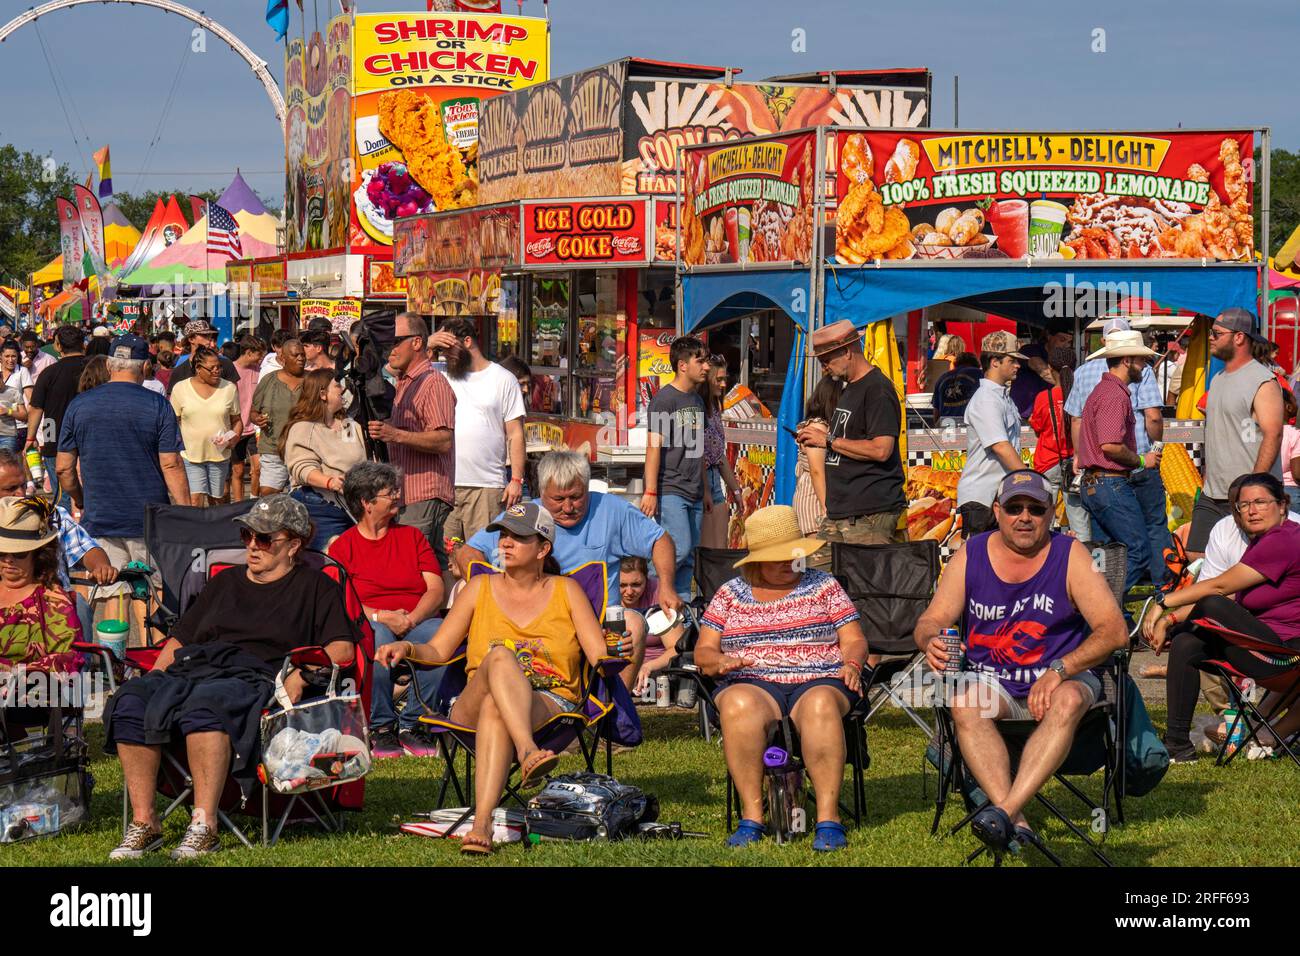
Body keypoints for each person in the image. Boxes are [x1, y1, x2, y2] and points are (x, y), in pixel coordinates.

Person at [104, 495, 359, 860]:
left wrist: (302, 674)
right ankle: (146, 824)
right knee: (130, 701)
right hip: (196, 668)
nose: (253, 546)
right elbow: (180, 638)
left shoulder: (316, 587)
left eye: (265, 539)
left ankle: (204, 826)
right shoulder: (224, 584)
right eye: (247, 535)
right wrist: (153, 679)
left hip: (255, 677)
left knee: (207, 704)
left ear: (295, 545)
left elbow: (343, 649)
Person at [913, 469, 1128, 855]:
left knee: (1068, 700)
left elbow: (1113, 631)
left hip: (1061, 678)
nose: (1024, 516)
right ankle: (1018, 820)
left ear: (1050, 513)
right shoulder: (972, 552)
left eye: (1035, 507)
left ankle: (1005, 813)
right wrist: (929, 639)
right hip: (993, 681)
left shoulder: (1069, 554)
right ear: (997, 511)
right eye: (1014, 507)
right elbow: (932, 619)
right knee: (964, 701)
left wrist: (1060, 669)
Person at [377, 501, 608, 857]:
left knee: (496, 709)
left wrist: (622, 644)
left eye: (518, 537)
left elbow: (599, 655)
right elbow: (438, 651)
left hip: (547, 702)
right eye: (503, 536)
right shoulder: (478, 588)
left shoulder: (567, 591)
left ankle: (481, 823)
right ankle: (527, 750)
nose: (505, 543)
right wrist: (408, 647)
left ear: (543, 548)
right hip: (472, 702)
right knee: (500, 656)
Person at [695, 505, 868, 851]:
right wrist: (720, 661)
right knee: (739, 703)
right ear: (757, 560)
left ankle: (828, 819)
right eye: (778, 558)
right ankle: (753, 817)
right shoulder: (730, 594)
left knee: (819, 704)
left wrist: (851, 663)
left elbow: (854, 638)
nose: (789, 563)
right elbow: (703, 652)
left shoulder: (824, 586)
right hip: (753, 680)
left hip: (820, 678)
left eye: (793, 555)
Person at [1143, 473, 1300, 762]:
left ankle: (1257, 730)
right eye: (1243, 505)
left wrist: (1163, 603)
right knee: (1187, 643)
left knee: (1210, 606)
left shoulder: (1285, 539)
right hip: (1264, 649)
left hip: (1285, 658)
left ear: (1282, 505)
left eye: (1261, 502)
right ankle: (1177, 744)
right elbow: (1229, 598)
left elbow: (1218, 589)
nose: (1251, 510)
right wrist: (1174, 620)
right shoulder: (1261, 542)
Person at [56, 335, 190, 616]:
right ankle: (151, 657)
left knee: (110, 593)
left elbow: (64, 469)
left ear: (108, 366)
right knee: (154, 593)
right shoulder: (157, 405)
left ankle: (114, 658)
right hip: (149, 519)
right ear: (144, 368)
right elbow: (171, 465)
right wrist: (185, 513)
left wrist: (79, 499)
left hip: (102, 517)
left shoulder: (79, 405)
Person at [461, 450, 684, 618]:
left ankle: (618, 683)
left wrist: (666, 585)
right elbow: (469, 553)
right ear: (541, 492)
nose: (568, 508)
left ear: (587, 488)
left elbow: (659, 540)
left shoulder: (610, 509)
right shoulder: (526, 516)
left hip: (600, 620)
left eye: (576, 497)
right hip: (536, 617)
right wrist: (494, 591)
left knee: (634, 624)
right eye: (558, 499)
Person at [330, 462, 445, 758]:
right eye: (389, 492)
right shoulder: (343, 547)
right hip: (373, 620)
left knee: (441, 635)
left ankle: (414, 724)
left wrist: (412, 619)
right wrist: (383, 617)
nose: (397, 496)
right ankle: (381, 728)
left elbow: (435, 589)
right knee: (376, 635)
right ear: (367, 503)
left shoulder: (412, 537)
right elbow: (344, 600)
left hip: (416, 618)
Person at [1066, 318, 1170, 582]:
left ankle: (1100, 613)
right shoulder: (1115, 394)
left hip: (1095, 483)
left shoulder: (1101, 387)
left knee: (1105, 554)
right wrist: (1141, 460)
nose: (1144, 365)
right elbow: (1111, 445)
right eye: (1140, 359)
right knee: (1138, 550)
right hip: (1110, 483)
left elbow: (1075, 420)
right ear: (1126, 360)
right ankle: (1105, 604)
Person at [797, 319, 907, 547]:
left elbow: (881, 449)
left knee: (862, 581)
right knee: (819, 579)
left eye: (826, 360)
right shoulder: (850, 388)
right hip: (840, 512)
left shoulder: (877, 389)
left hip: (868, 512)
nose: (823, 368)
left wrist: (827, 440)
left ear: (847, 352)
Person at [1186, 308, 1285, 556]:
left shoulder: (1262, 381)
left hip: (1249, 496)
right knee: (1195, 554)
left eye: (1216, 333)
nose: (1210, 337)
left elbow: (1273, 434)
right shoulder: (1218, 378)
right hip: (1213, 494)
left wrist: (1255, 488)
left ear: (1239, 337)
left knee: (1247, 561)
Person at [369, 312, 457, 574]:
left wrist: (395, 434)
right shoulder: (405, 382)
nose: (390, 349)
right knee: (422, 567)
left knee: (417, 569)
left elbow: (443, 440)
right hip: (406, 493)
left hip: (425, 494)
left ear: (417, 343)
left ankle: (434, 616)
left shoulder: (432, 383)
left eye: (395, 342)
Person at [430, 317, 526, 555]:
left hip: (487, 488)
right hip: (445, 487)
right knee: (447, 560)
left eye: (449, 349)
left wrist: (516, 480)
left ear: (468, 341)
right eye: (441, 351)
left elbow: (515, 434)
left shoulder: (503, 379)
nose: (445, 356)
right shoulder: (439, 374)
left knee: (486, 559)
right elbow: (397, 369)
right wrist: (429, 343)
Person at [642, 335, 710, 600]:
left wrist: (704, 488)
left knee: (689, 555)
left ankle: (679, 616)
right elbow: (653, 447)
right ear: (683, 365)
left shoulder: (697, 401)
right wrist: (650, 491)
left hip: (694, 490)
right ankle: (649, 593)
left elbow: (698, 447)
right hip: (670, 487)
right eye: (700, 361)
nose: (706, 367)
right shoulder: (663, 400)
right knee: (676, 549)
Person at [0, 449, 117, 595]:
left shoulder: (51, 515)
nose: (21, 493)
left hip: (56, 605)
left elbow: (85, 547)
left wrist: (101, 566)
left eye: (23, 486)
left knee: (82, 610)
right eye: (10, 488)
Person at [0, 496, 87, 671]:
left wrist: (14, 673)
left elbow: (69, 659)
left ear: (38, 555)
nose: (8, 560)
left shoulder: (52, 601)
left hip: (30, 693)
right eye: (1, 553)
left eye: (19, 554)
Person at [283, 369, 366, 549]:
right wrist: (330, 482)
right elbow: (301, 467)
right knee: (329, 561)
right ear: (322, 394)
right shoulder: (304, 427)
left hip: (354, 505)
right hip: (320, 505)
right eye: (337, 386)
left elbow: (359, 455)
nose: (343, 390)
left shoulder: (348, 425)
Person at [955, 331, 1026, 538]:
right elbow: (1000, 446)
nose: (1018, 365)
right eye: (1012, 360)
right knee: (979, 564)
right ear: (994, 361)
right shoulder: (987, 399)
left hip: (996, 495)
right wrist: (1030, 478)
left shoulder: (1001, 396)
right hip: (982, 497)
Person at [170, 345, 242, 508]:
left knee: (218, 498)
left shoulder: (229, 388)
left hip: (219, 454)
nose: (217, 371)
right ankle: (196, 532)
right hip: (190, 454)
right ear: (198, 368)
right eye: (212, 368)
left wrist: (234, 438)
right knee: (195, 499)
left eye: (219, 367)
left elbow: (237, 420)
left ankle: (215, 530)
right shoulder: (180, 388)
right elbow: (173, 421)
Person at [1028, 346, 1090, 537]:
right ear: (1074, 366)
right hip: (1075, 465)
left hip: (1048, 462)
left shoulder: (1043, 398)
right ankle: (1083, 561)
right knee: (1080, 522)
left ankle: (1043, 560)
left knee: (1042, 521)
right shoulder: (1082, 395)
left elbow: (1037, 428)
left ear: (1049, 368)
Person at [26, 325, 89, 500]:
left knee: (60, 490)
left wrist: (31, 439)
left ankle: (65, 522)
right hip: (89, 432)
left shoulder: (49, 373)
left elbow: (36, 408)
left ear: (58, 346)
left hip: (52, 431)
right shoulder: (94, 369)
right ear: (83, 344)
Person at [250, 338, 306, 496]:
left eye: (302, 355)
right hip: (273, 448)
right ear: (282, 359)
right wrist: (257, 419)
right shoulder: (269, 380)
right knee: (268, 494)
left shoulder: (312, 381)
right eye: (295, 355)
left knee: (302, 496)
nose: (301, 358)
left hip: (304, 449)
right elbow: (253, 412)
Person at [700, 354, 742, 549]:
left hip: (714, 478)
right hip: (701, 479)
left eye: (725, 379)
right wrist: (706, 489)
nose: (724, 384)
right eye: (719, 379)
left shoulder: (714, 409)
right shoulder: (696, 407)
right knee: (708, 548)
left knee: (719, 547)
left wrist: (736, 490)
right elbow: (696, 452)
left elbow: (719, 455)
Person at [793, 376, 841, 538]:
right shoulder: (818, 426)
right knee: (818, 555)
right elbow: (816, 470)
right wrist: (826, 508)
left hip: (816, 496)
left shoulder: (819, 424)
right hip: (814, 499)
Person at [230, 335, 266, 503]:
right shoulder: (230, 370)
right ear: (249, 352)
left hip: (255, 427)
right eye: (259, 354)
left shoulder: (259, 371)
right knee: (237, 471)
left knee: (258, 467)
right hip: (236, 427)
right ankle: (238, 505)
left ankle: (253, 501)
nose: (261, 358)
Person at [1011, 323, 1072, 421]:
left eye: (1069, 342)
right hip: (1023, 416)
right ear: (1049, 336)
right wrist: (1066, 385)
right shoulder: (1030, 349)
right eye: (1062, 340)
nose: (1066, 345)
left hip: (1047, 418)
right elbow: (1040, 368)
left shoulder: (1064, 358)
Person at [166, 320, 239, 393]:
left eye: (209, 335)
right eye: (204, 335)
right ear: (191, 339)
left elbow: (234, 394)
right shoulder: (179, 371)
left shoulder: (225, 364)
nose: (209, 339)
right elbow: (173, 400)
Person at [930, 352, 982, 424]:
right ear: (976, 364)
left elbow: (936, 412)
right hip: (971, 424)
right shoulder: (979, 374)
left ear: (956, 364)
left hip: (946, 425)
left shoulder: (942, 378)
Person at [0, 342, 29, 454]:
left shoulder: (22, 371)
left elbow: (30, 399)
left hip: (16, 427)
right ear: (1, 357)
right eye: (7, 356)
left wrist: (8, 411)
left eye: (14, 356)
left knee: (10, 465)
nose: (11, 359)